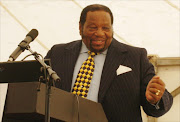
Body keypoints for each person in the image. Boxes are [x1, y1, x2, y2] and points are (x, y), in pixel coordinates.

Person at [45, 4, 173, 122]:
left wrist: (155, 99)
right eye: (93, 28)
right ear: (80, 27)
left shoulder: (135, 57)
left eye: (105, 28)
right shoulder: (58, 53)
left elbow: (158, 101)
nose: (100, 33)